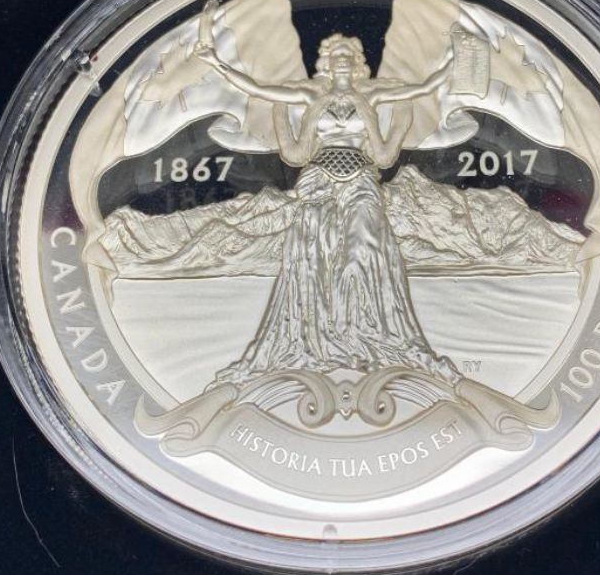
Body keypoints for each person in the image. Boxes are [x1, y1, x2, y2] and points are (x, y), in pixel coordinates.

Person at [192, 32, 460, 385]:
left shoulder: (373, 95)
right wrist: (216, 62)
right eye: (336, 55)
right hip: (319, 180)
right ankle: (326, 341)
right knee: (315, 258)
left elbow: (425, 87)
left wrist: (452, 59)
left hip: (361, 180)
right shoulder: (310, 96)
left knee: (361, 252)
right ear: (327, 63)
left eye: (348, 54)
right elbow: (257, 89)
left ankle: (364, 336)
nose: (343, 59)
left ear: (357, 62)